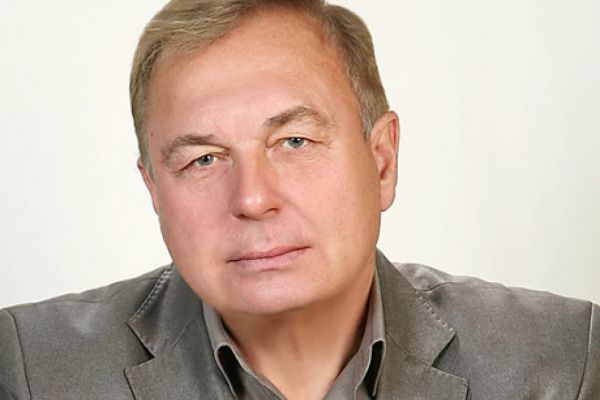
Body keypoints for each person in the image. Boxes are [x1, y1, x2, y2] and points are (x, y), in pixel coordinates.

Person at [0, 0, 598, 399]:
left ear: (382, 161)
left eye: (294, 141)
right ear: (153, 189)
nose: (252, 198)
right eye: (203, 158)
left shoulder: (564, 360)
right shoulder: (29, 370)